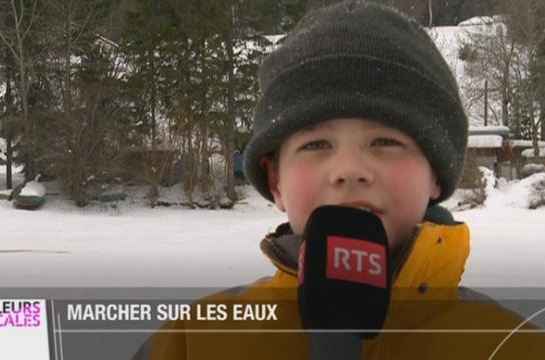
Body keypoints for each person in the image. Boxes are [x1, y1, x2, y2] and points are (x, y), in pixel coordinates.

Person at [133, 1, 545, 359]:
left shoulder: (512, 347)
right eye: (315, 144)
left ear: (436, 173)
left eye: (385, 140)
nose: (349, 168)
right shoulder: (192, 343)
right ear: (275, 180)